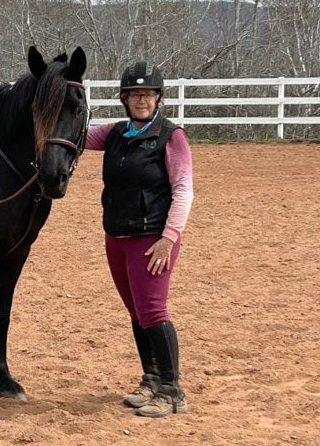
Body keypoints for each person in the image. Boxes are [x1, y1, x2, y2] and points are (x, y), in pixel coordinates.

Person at [84, 61, 194, 417]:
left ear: (157, 98)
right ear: (124, 99)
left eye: (147, 94)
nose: (141, 100)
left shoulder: (170, 136)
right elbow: (76, 135)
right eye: (134, 95)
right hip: (116, 235)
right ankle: (151, 377)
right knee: (137, 311)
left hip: (152, 238)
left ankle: (172, 389)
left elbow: (183, 190)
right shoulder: (115, 133)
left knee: (153, 311)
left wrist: (169, 237)